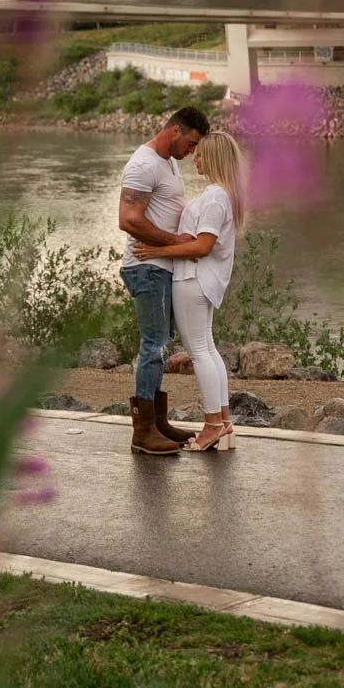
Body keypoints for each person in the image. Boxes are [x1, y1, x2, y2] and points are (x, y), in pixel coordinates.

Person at [133, 131, 246, 452]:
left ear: (213, 158)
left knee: (199, 351)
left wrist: (157, 251)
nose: (194, 158)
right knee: (207, 349)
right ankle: (223, 424)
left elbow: (203, 245)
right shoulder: (223, 196)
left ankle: (212, 425)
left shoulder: (214, 198)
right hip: (201, 282)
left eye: (200, 154)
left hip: (192, 280)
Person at [118, 106, 210, 455]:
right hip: (146, 267)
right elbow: (128, 219)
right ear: (175, 132)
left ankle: (157, 421)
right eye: (190, 144)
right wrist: (176, 243)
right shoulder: (143, 165)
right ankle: (142, 433)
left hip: (161, 266)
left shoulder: (167, 162)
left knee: (160, 344)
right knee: (153, 345)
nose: (191, 153)